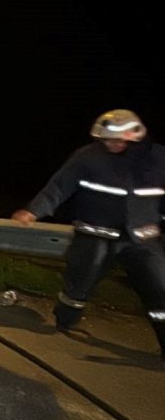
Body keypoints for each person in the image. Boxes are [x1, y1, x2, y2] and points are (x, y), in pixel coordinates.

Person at [11, 109, 165, 359]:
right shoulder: (87, 157)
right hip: (94, 235)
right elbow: (59, 187)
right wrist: (34, 211)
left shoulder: (158, 159)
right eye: (106, 139)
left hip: (142, 240)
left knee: (160, 289)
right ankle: (65, 322)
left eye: (116, 140)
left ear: (134, 136)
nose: (110, 144)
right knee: (78, 285)